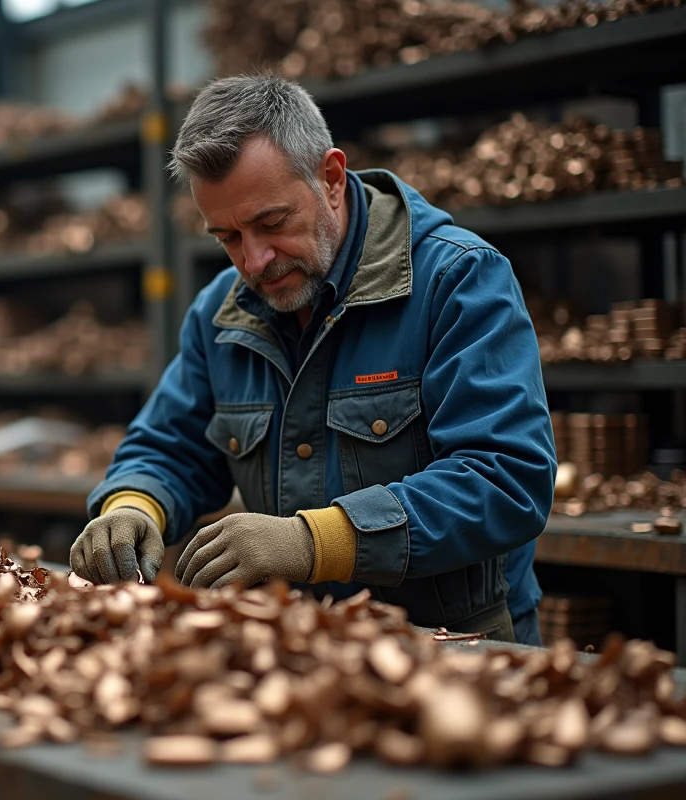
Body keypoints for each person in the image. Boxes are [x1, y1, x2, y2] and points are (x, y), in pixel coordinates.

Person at [71, 75, 556, 645]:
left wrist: (316, 542)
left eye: (272, 224)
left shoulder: (456, 281)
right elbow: (170, 446)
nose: (255, 261)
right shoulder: (219, 316)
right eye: (227, 237)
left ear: (329, 178)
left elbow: (506, 480)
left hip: (452, 650)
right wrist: (133, 506)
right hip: (298, 650)